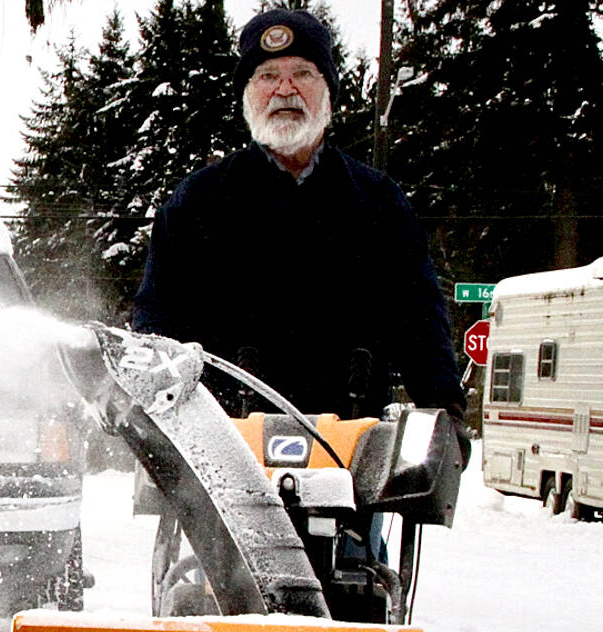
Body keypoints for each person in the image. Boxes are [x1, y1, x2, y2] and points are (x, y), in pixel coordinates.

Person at [131, 8, 468, 432]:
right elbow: (156, 325)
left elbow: (419, 322)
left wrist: (445, 413)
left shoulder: (379, 204)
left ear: (328, 92)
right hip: (220, 454)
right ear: (247, 94)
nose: (285, 89)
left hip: (353, 458)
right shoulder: (196, 204)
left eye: (304, 73)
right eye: (267, 75)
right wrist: (151, 410)